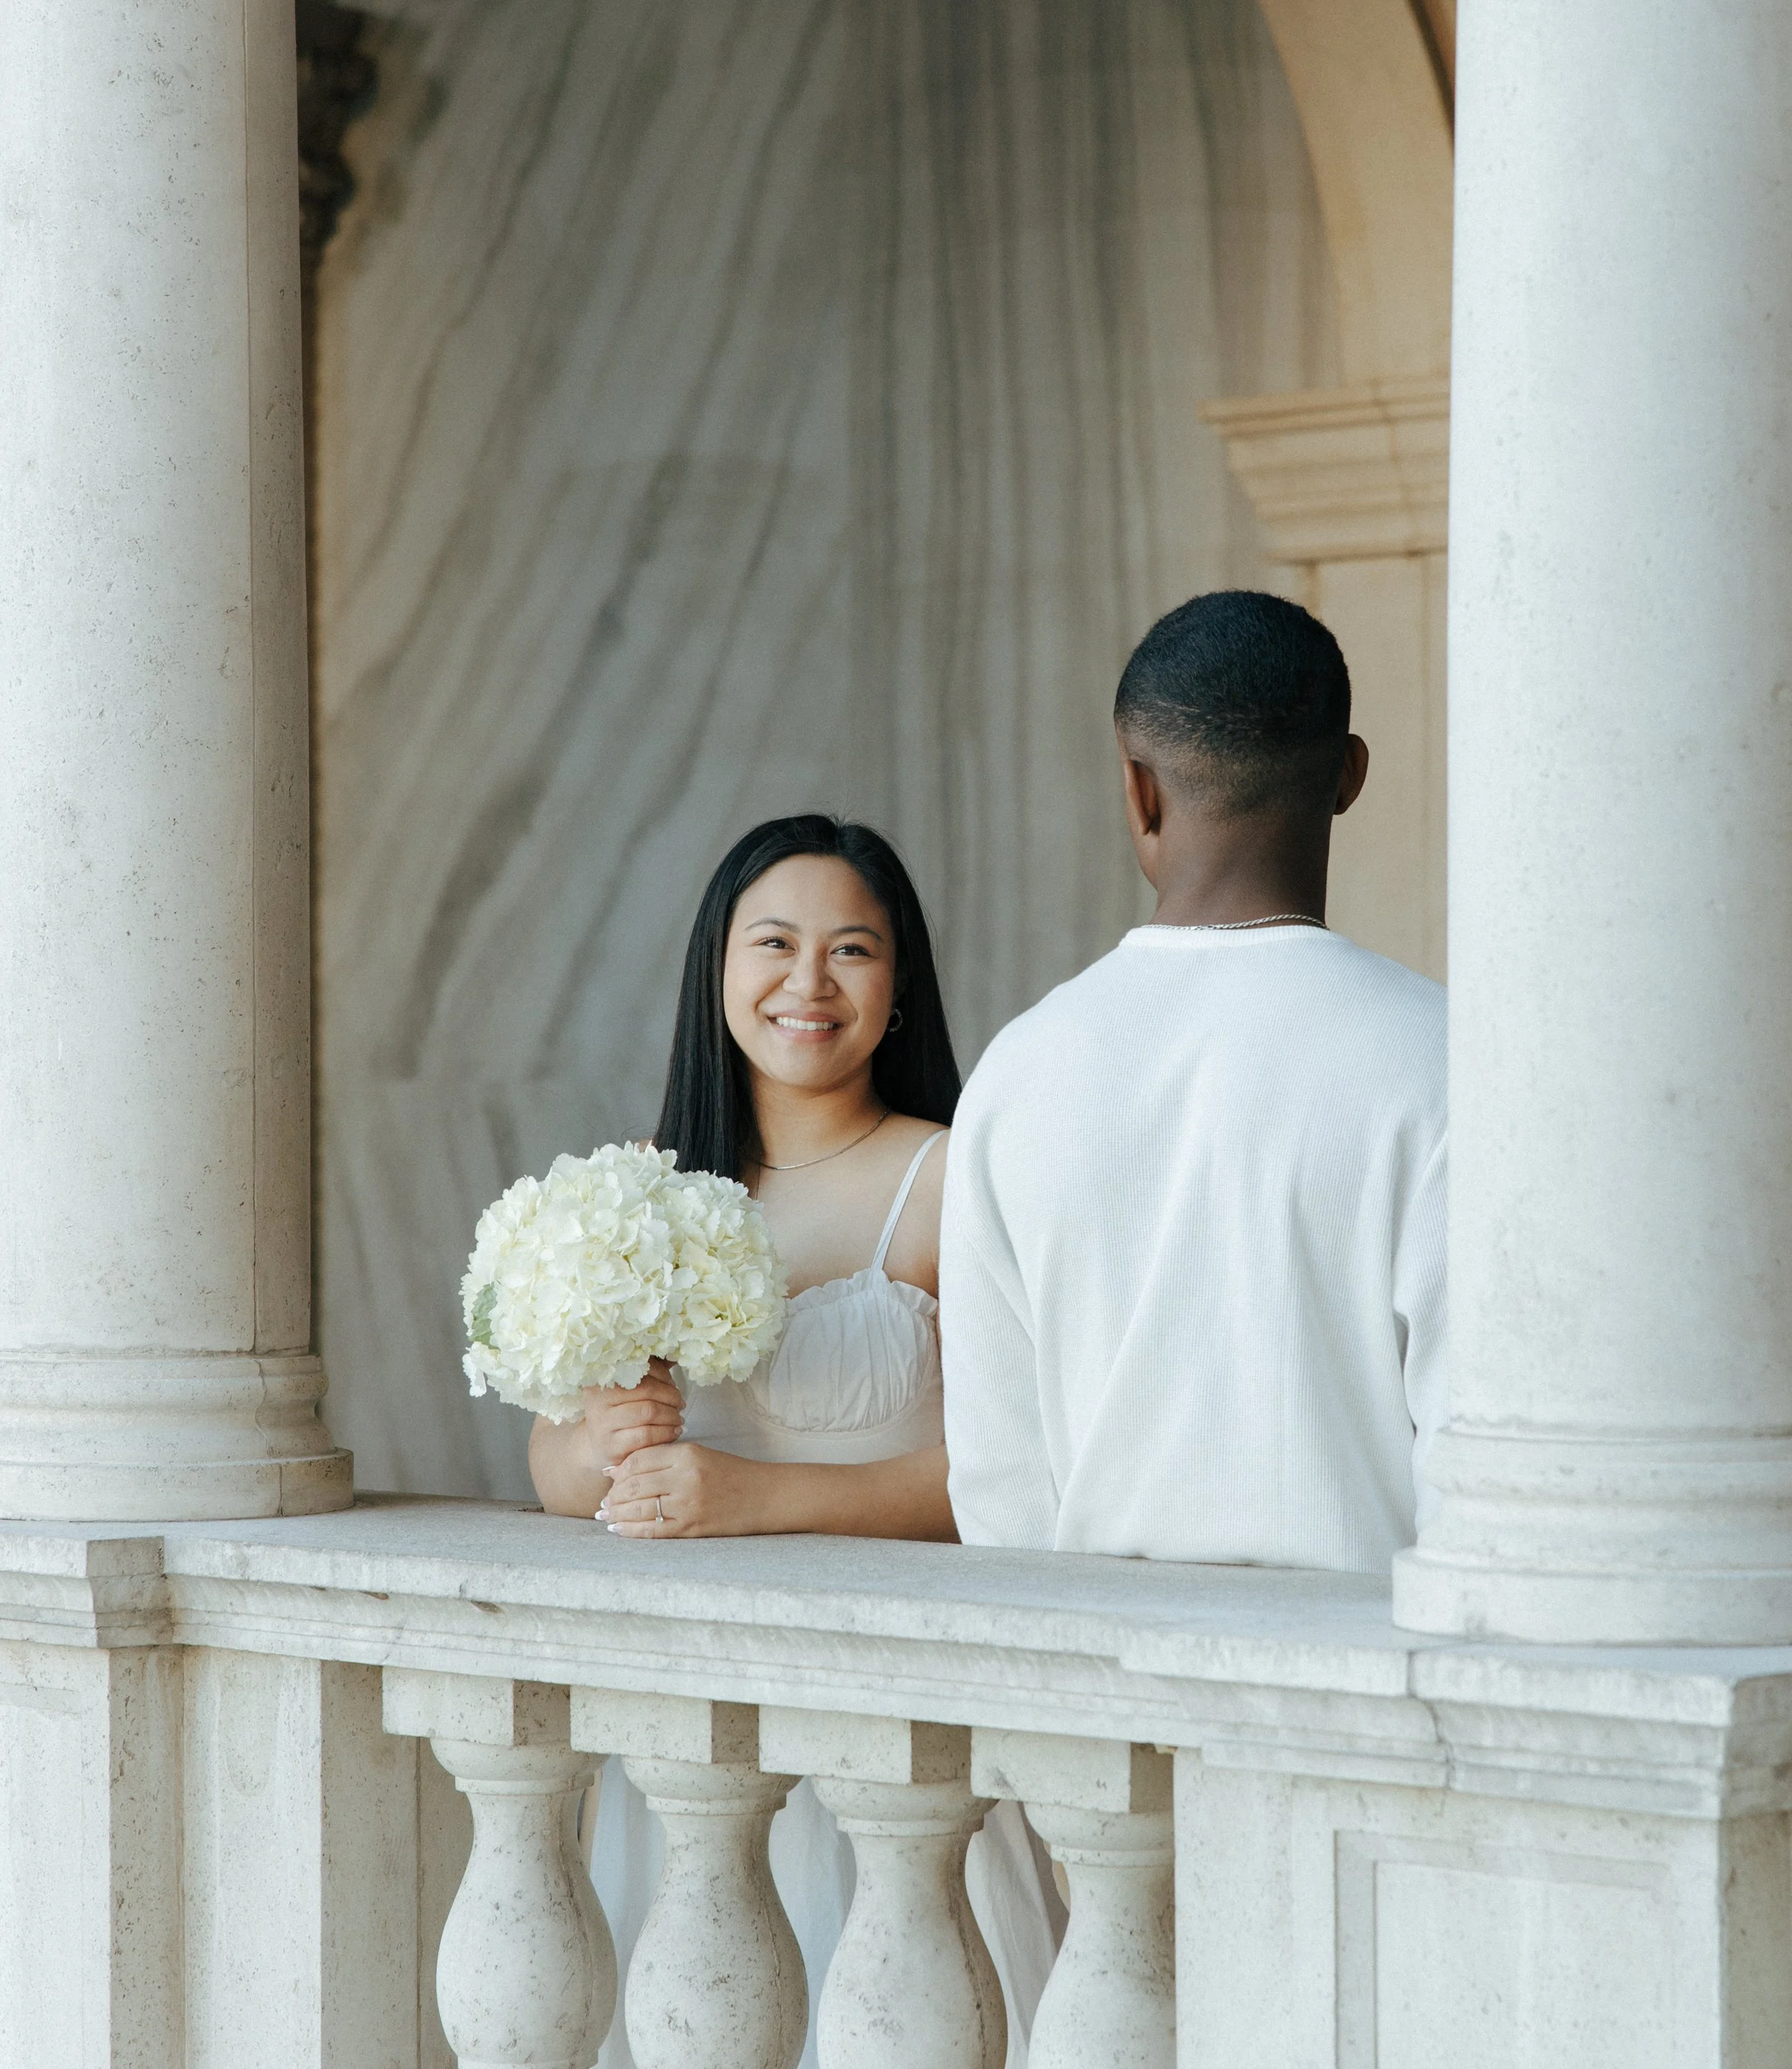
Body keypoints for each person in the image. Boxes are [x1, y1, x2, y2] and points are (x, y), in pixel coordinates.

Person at [530, 813, 1054, 2069]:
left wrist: (754, 1495)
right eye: (774, 942)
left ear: (900, 984)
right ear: (719, 967)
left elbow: (1008, 1478)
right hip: (693, 1737)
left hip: (894, 1715)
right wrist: (604, 1436)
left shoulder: (947, 1177)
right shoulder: (646, 1188)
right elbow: (556, 1477)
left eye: (853, 949)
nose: (807, 982)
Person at [940, 590, 1447, 1574]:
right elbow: (1484, 1464)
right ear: (1348, 776)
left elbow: (1001, 1487)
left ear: (1137, 789)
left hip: (1097, 1693)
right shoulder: (1446, 1060)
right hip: (1368, 1689)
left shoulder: (1019, 1071)